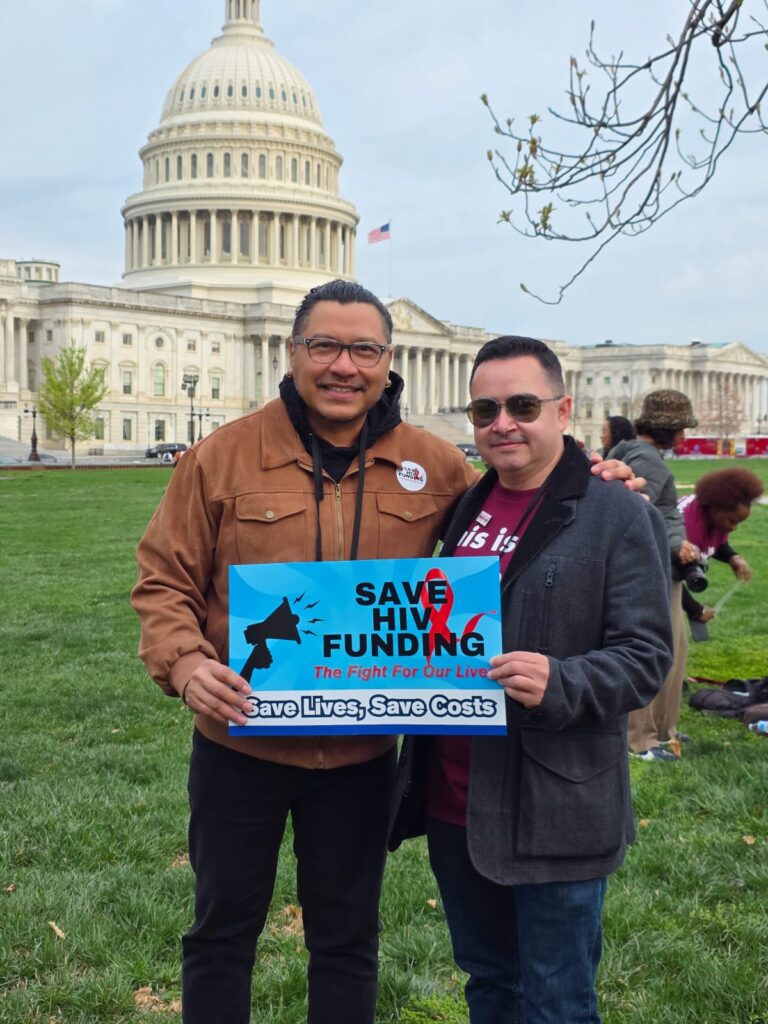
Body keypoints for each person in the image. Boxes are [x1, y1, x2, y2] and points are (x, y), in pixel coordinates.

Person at [131, 282, 640, 1024]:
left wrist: (590, 483)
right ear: (294, 353)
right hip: (240, 743)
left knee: (346, 937)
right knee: (222, 930)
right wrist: (184, 664)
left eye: (364, 349)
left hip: (361, 754)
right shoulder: (222, 456)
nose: (345, 366)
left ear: (388, 361)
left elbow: (518, 510)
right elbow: (162, 578)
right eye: (325, 347)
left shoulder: (434, 465)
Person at [389, 336, 673, 1024]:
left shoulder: (616, 512)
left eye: (522, 405)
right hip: (456, 796)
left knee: (556, 1000)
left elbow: (646, 656)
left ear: (563, 408)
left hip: (554, 805)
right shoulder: (468, 505)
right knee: (489, 983)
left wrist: (562, 681)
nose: (502, 424)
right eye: (485, 410)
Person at [609, 389, 699, 762]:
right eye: (682, 430)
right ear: (670, 429)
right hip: (650, 571)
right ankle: (641, 739)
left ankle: (663, 729)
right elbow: (636, 516)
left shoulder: (629, 451)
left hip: (657, 566)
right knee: (657, 652)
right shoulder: (650, 463)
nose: (685, 438)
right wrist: (677, 544)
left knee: (673, 650)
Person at [678, 468, 763, 624]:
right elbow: (665, 579)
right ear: (716, 508)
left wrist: (732, 557)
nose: (734, 527)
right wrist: (696, 610)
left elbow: (717, 543)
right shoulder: (684, 528)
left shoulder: (710, 517)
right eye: (732, 521)